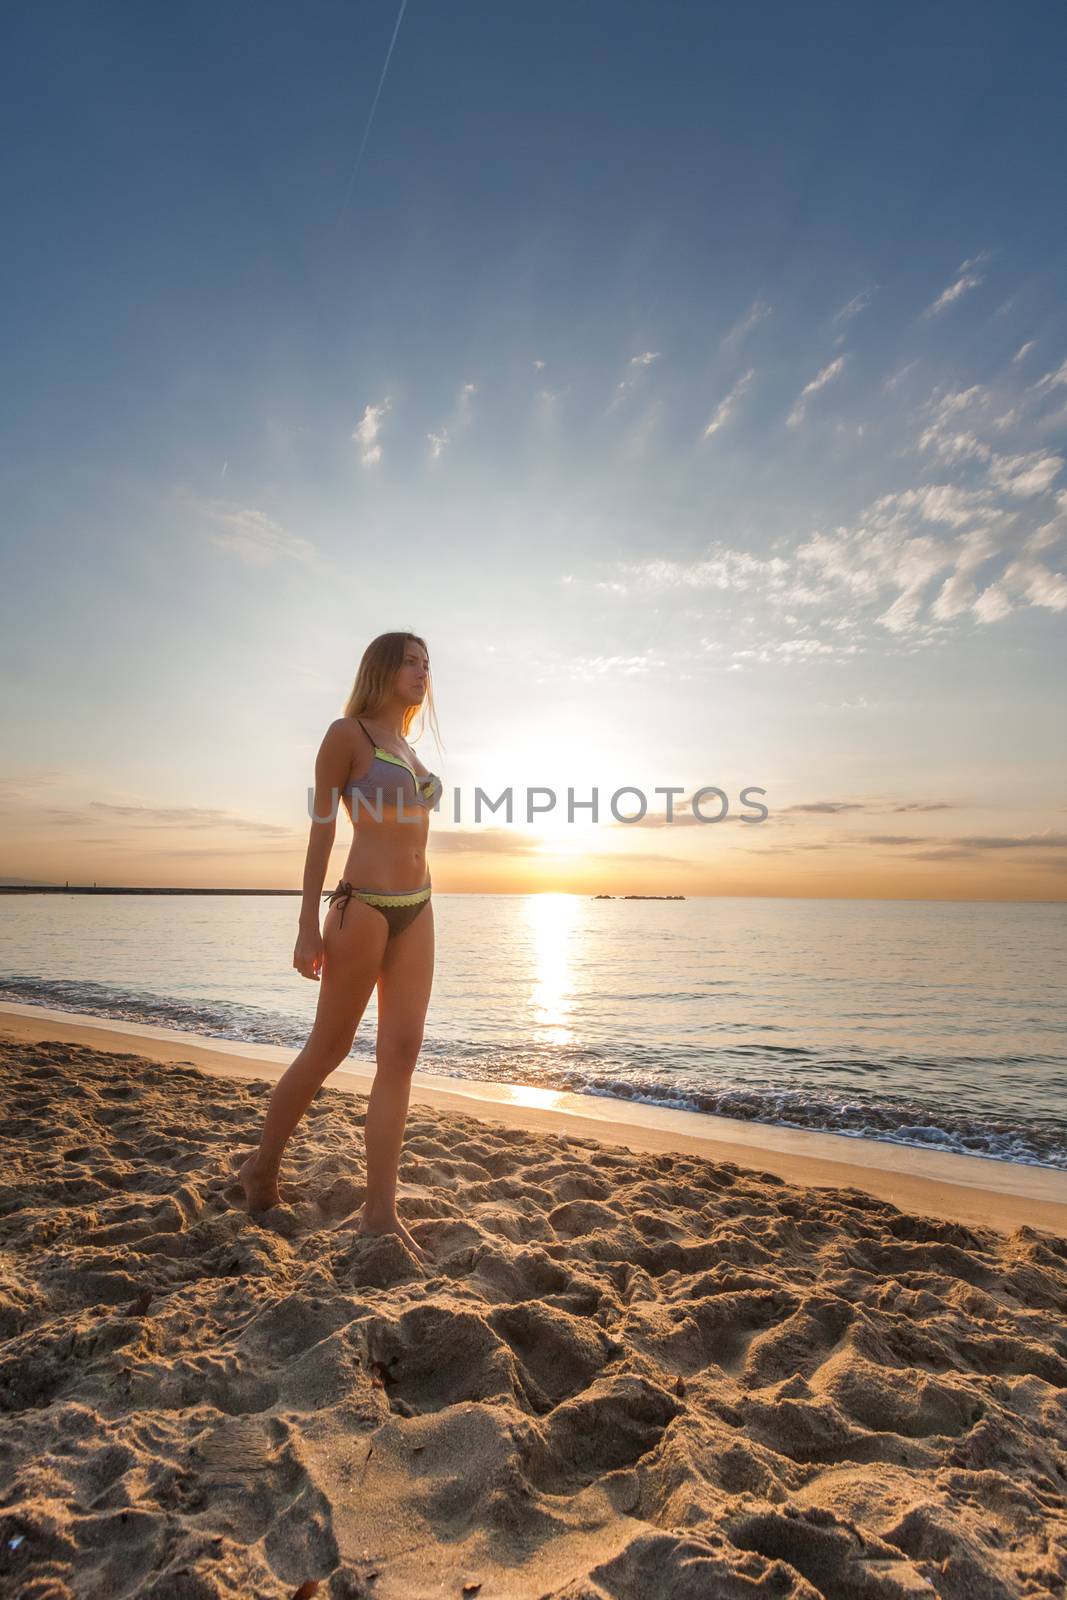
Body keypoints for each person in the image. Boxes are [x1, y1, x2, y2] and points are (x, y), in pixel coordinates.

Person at [238, 631, 442, 1265]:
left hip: (420, 905)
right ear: (382, 669)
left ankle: (380, 1210)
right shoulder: (347, 735)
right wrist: (305, 923)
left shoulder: (410, 746)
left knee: (400, 1057)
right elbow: (322, 832)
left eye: (427, 663)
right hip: (362, 910)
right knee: (328, 1048)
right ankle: (262, 1166)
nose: (422, 670)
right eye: (410, 660)